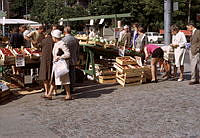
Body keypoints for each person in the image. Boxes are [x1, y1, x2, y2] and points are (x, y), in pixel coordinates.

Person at [44, 29, 72, 100]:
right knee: (54, 79)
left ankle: (68, 95)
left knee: (65, 81)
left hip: (61, 66)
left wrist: (60, 57)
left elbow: (68, 54)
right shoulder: (56, 44)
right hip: (56, 65)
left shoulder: (62, 43)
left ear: (55, 37)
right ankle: (49, 94)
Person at [62, 26, 80, 93]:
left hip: (66, 59)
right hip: (73, 59)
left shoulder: (63, 40)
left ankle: (66, 90)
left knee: (66, 75)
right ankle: (72, 88)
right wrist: (77, 57)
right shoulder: (75, 39)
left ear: (65, 32)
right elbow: (78, 50)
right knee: (72, 74)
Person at [39, 30, 54, 97]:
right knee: (52, 76)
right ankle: (54, 91)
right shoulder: (53, 41)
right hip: (52, 59)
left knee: (44, 76)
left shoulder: (43, 41)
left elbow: (38, 46)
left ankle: (46, 91)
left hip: (45, 60)